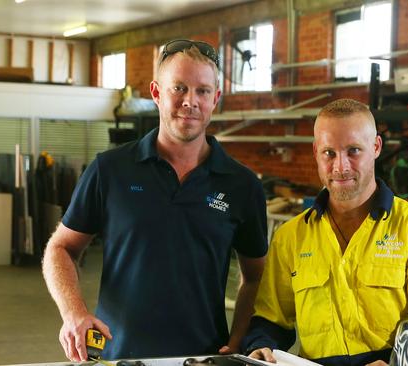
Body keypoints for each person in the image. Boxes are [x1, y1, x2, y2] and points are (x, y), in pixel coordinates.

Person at [42, 39, 268, 362]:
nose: (190, 101)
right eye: (179, 88)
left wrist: (239, 340)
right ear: (156, 93)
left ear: (215, 98)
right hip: (119, 358)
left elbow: (256, 276)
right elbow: (60, 248)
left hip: (203, 359)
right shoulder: (110, 170)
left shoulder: (242, 185)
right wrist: (73, 313)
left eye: (203, 91)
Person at [241, 99, 408, 366]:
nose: (340, 167)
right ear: (315, 152)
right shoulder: (290, 237)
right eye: (329, 153)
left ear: (376, 147)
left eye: (353, 150)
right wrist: (262, 346)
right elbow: (271, 318)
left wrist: (398, 363)